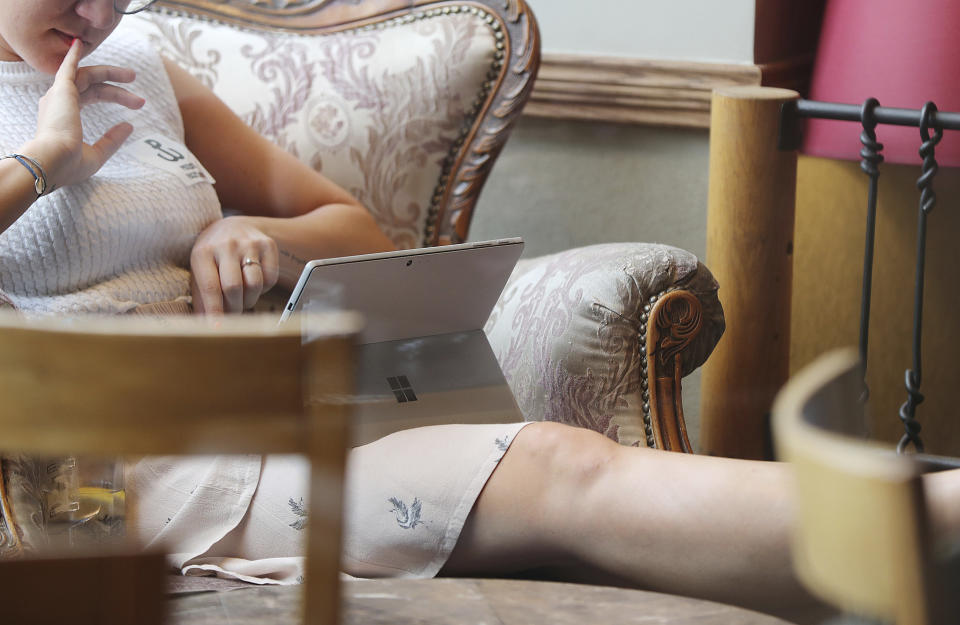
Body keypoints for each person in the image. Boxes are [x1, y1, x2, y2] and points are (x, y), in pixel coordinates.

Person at [2, 2, 959, 623]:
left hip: (256, 404)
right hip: (97, 472)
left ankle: (917, 545)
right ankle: (929, 518)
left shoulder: (141, 64)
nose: (97, 12)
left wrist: (258, 233)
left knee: (561, 473)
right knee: (552, 465)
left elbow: (361, 231)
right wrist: (38, 166)